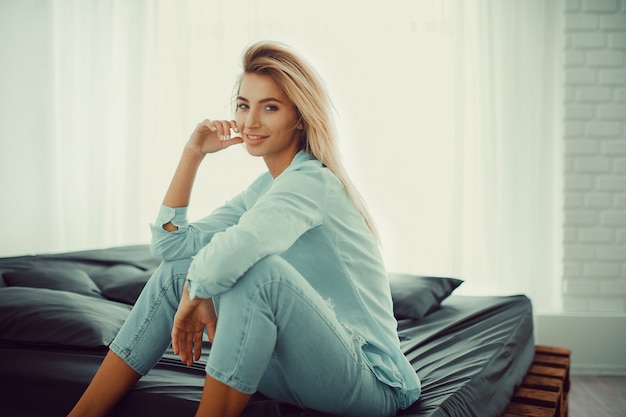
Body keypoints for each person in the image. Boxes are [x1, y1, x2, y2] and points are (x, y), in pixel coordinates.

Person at [67, 41, 420, 417]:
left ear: (299, 117)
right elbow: (172, 246)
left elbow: (243, 248)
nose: (250, 122)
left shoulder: (312, 182)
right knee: (180, 271)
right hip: (292, 373)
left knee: (260, 274)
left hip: (369, 383)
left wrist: (197, 291)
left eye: (269, 107)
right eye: (243, 105)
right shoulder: (264, 190)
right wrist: (193, 153)